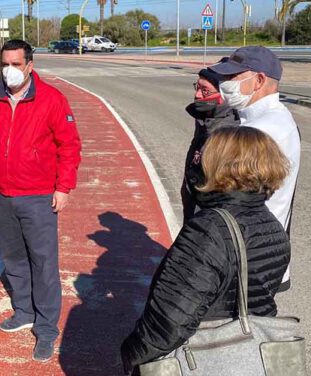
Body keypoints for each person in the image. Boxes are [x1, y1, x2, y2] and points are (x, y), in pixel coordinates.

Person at [120, 126, 291, 374]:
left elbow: (170, 321)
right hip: (248, 357)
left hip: (202, 358)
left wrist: (131, 354)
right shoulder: (272, 226)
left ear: (220, 164)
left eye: (206, 155)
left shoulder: (209, 229)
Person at [0, 39, 82, 361]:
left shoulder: (52, 99)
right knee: (15, 260)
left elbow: (70, 146)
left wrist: (63, 187)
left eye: (16, 64)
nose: (9, 70)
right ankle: (24, 311)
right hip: (3, 196)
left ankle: (47, 328)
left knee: (44, 264)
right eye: (4, 64)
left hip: (38, 197)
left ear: (30, 66)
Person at [208, 46, 300, 291]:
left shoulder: (261, 131)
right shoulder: (274, 117)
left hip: (246, 257)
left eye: (232, 77)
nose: (225, 83)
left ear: (258, 80)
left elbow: (222, 194)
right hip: (258, 252)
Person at [181, 68, 239, 224]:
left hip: (208, 220)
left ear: (224, 94)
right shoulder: (205, 119)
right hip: (193, 208)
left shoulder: (226, 131)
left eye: (205, 90)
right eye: (197, 87)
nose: (197, 95)